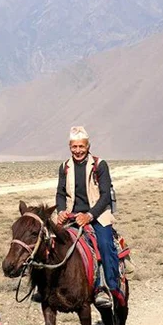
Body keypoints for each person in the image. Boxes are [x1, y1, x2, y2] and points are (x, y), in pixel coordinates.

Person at [52, 126, 121, 309]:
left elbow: (105, 196)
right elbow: (60, 193)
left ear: (88, 146)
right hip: (72, 215)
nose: (78, 150)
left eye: (81, 146)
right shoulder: (65, 167)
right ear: (69, 147)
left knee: (104, 244)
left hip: (97, 215)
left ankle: (108, 287)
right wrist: (61, 211)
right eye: (74, 147)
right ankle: (47, 287)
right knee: (51, 243)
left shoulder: (100, 165)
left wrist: (89, 215)